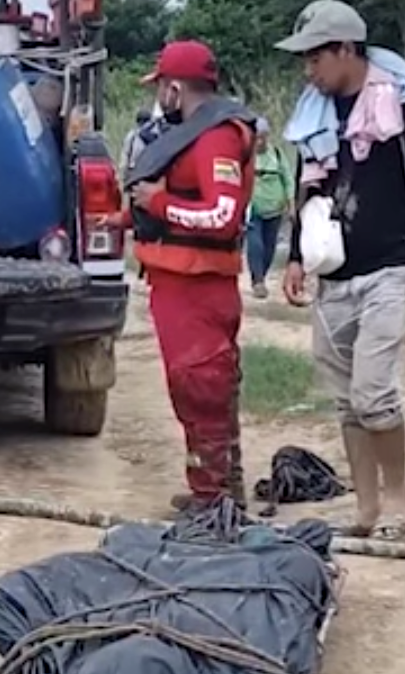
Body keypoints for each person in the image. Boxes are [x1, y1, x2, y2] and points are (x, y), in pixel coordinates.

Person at [277, 0, 405, 540]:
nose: (308, 69)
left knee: (374, 392)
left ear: (346, 50)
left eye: (316, 58)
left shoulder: (404, 108)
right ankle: (366, 508)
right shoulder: (313, 115)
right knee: (345, 398)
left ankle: (400, 500)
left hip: (393, 264)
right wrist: (294, 257)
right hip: (333, 269)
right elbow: (305, 188)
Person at [121, 40, 256, 512]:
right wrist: (126, 218)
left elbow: (222, 213)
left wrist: (157, 203)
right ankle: (216, 487)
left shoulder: (216, 137)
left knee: (203, 387)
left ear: (175, 88)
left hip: (199, 285)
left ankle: (214, 497)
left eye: (160, 86)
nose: (159, 96)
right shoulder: (193, 133)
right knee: (197, 389)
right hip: (179, 281)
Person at [246, 116, 296, 299]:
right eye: (256, 137)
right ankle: (257, 281)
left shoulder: (276, 154)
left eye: (263, 137)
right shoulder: (246, 155)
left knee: (269, 247)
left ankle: (262, 276)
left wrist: (291, 204)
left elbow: (288, 180)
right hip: (252, 209)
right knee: (255, 244)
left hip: (275, 209)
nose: (259, 142)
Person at [118, 108, 153, 176]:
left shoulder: (132, 135)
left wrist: (122, 169)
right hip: (148, 170)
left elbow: (125, 154)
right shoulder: (154, 135)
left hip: (133, 169)